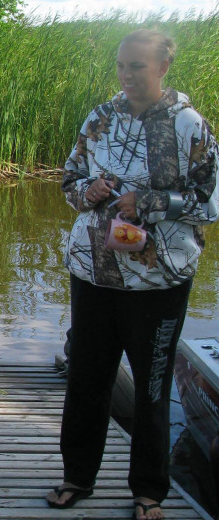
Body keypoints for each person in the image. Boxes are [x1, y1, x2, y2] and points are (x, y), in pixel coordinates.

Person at [46, 29, 219, 520]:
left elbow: (210, 204)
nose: (126, 75)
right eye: (121, 65)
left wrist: (150, 202)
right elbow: (68, 182)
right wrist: (90, 191)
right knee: (86, 378)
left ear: (163, 68)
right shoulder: (100, 119)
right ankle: (76, 477)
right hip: (94, 273)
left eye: (137, 67)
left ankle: (148, 493)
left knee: (152, 387)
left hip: (158, 283)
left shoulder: (190, 127)